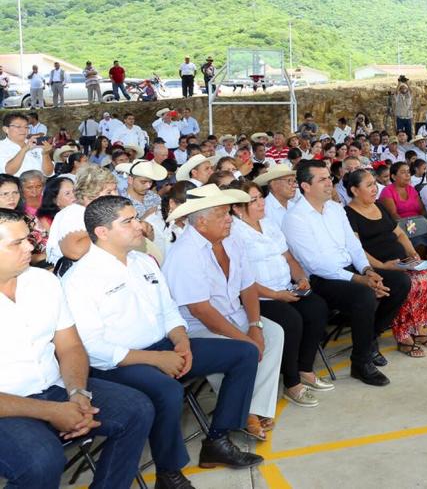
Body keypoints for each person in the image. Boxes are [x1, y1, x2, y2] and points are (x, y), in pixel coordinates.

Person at [62, 197, 263, 487]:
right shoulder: (81, 278)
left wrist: (181, 341)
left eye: (136, 218)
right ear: (102, 232)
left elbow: (169, 310)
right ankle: (168, 473)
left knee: (243, 352)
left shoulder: (143, 262)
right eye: (128, 221)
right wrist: (156, 360)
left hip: (164, 346)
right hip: (118, 364)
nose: (139, 226)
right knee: (167, 390)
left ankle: (218, 439)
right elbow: (93, 347)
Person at [0, 209, 155, 489]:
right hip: (7, 405)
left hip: (55, 386)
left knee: (136, 409)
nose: (30, 247)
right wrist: (51, 412)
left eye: (28, 238)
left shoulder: (43, 282)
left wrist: (77, 392)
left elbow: (70, 345)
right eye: (16, 243)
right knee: (41, 459)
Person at [162, 184, 286, 440]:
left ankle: (254, 407)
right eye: (222, 214)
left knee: (274, 333)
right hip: (197, 328)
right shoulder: (184, 253)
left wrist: (255, 326)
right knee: (240, 349)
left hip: (233, 315)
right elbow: (201, 311)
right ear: (201, 221)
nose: (230, 218)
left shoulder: (231, 239)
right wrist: (246, 339)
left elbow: (248, 285)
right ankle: (241, 412)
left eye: (228, 212)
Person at [282, 160, 411, 386]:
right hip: (323, 279)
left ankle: (370, 337)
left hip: (352, 270)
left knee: (400, 281)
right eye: (321, 179)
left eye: (328, 177)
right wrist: (359, 279)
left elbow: (353, 246)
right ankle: (360, 363)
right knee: (364, 295)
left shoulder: (334, 209)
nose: (328, 182)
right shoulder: (295, 218)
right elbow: (316, 263)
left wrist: (368, 269)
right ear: (305, 186)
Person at [228, 181, 333, 406]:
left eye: (260, 197)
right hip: (260, 297)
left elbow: (288, 258)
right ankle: (292, 382)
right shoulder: (233, 234)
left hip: (286, 287)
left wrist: (301, 278)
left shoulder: (269, 224)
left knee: (317, 307)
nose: (261, 203)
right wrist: (276, 295)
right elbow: (241, 281)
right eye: (253, 200)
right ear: (237, 208)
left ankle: (305, 369)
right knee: (291, 320)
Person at [344, 170, 427, 357]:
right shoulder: (348, 214)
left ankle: (417, 329)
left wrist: (412, 254)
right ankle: (403, 336)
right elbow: (356, 250)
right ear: (354, 190)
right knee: (406, 282)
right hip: (375, 267)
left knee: (425, 276)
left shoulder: (379, 206)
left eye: (374, 184)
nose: (375, 188)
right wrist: (383, 265)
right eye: (369, 185)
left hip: (401, 262)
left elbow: (401, 234)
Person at [1, 112, 54, 177]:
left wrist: (45, 154)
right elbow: (8, 172)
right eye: (18, 126)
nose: (24, 130)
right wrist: (24, 149)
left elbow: (49, 173)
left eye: (26, 127)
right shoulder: (2, 146)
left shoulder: (35, 143)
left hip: (39, 185)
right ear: (6, 129)